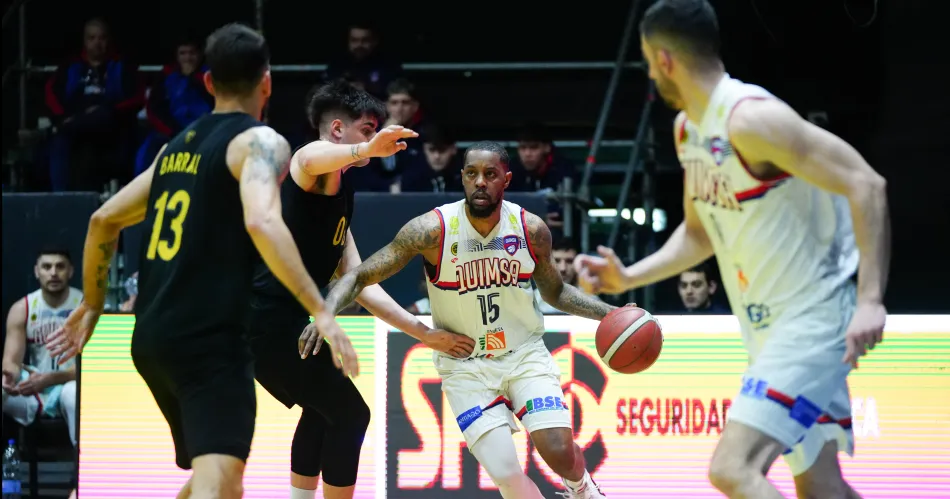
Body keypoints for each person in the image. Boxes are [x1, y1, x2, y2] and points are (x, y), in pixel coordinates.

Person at [573, 2, 890, 498]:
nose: (650, 74)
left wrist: (870, 299)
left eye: (648, 62)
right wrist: (629, 277)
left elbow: (867, 184)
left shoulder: (752, 119)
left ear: (664, 59)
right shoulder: (689, 129)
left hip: (812, 321)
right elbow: (699, 233)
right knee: (821, 488)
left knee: (731, 469)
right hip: (768, 329)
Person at [47, 24, 356, 499]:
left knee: (219, 479)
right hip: (208, 342)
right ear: (267, 82)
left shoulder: (173, 148)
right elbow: (262, 222)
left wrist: (91, 303)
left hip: (150, 341)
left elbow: (103, 220)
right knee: (220, 482)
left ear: (208, 82)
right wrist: (320, 309)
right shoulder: (260, 142)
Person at [308, 141, 621, 499]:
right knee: (505, 472)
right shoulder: (432, 230)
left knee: (559, 452)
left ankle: (582, 488)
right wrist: (324, 313)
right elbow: (359, 275)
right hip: (465, 364)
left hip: (523, 354)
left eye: (490, 174)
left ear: (506, 179)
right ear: (462, 178)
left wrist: (611, 313)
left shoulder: (530, 229)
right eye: (472, 174)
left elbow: (557, 292)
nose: (480, 182)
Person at [247, 80, 475, 499]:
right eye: (368, 129)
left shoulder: (342, 194)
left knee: (324, 412)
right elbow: (309, 156)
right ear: (338, 129)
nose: (376, 138)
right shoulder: (307, 166)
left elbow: (360, 282)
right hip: (262, 320)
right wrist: (366, 149)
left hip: (289, 321)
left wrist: (423, 333)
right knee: (351, 414)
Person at [2, 247, 81, 499]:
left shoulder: (84, 307)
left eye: (60, 266)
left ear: (71, 271)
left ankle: (81, 479)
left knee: (75, 396)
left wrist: (52, 379)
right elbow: (12, 361)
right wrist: (9, 377)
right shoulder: (23, 307)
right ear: (37, 272)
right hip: (35, 388)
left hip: (70, 383)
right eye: (47, 267)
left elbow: (92, 366)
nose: (53, 272)